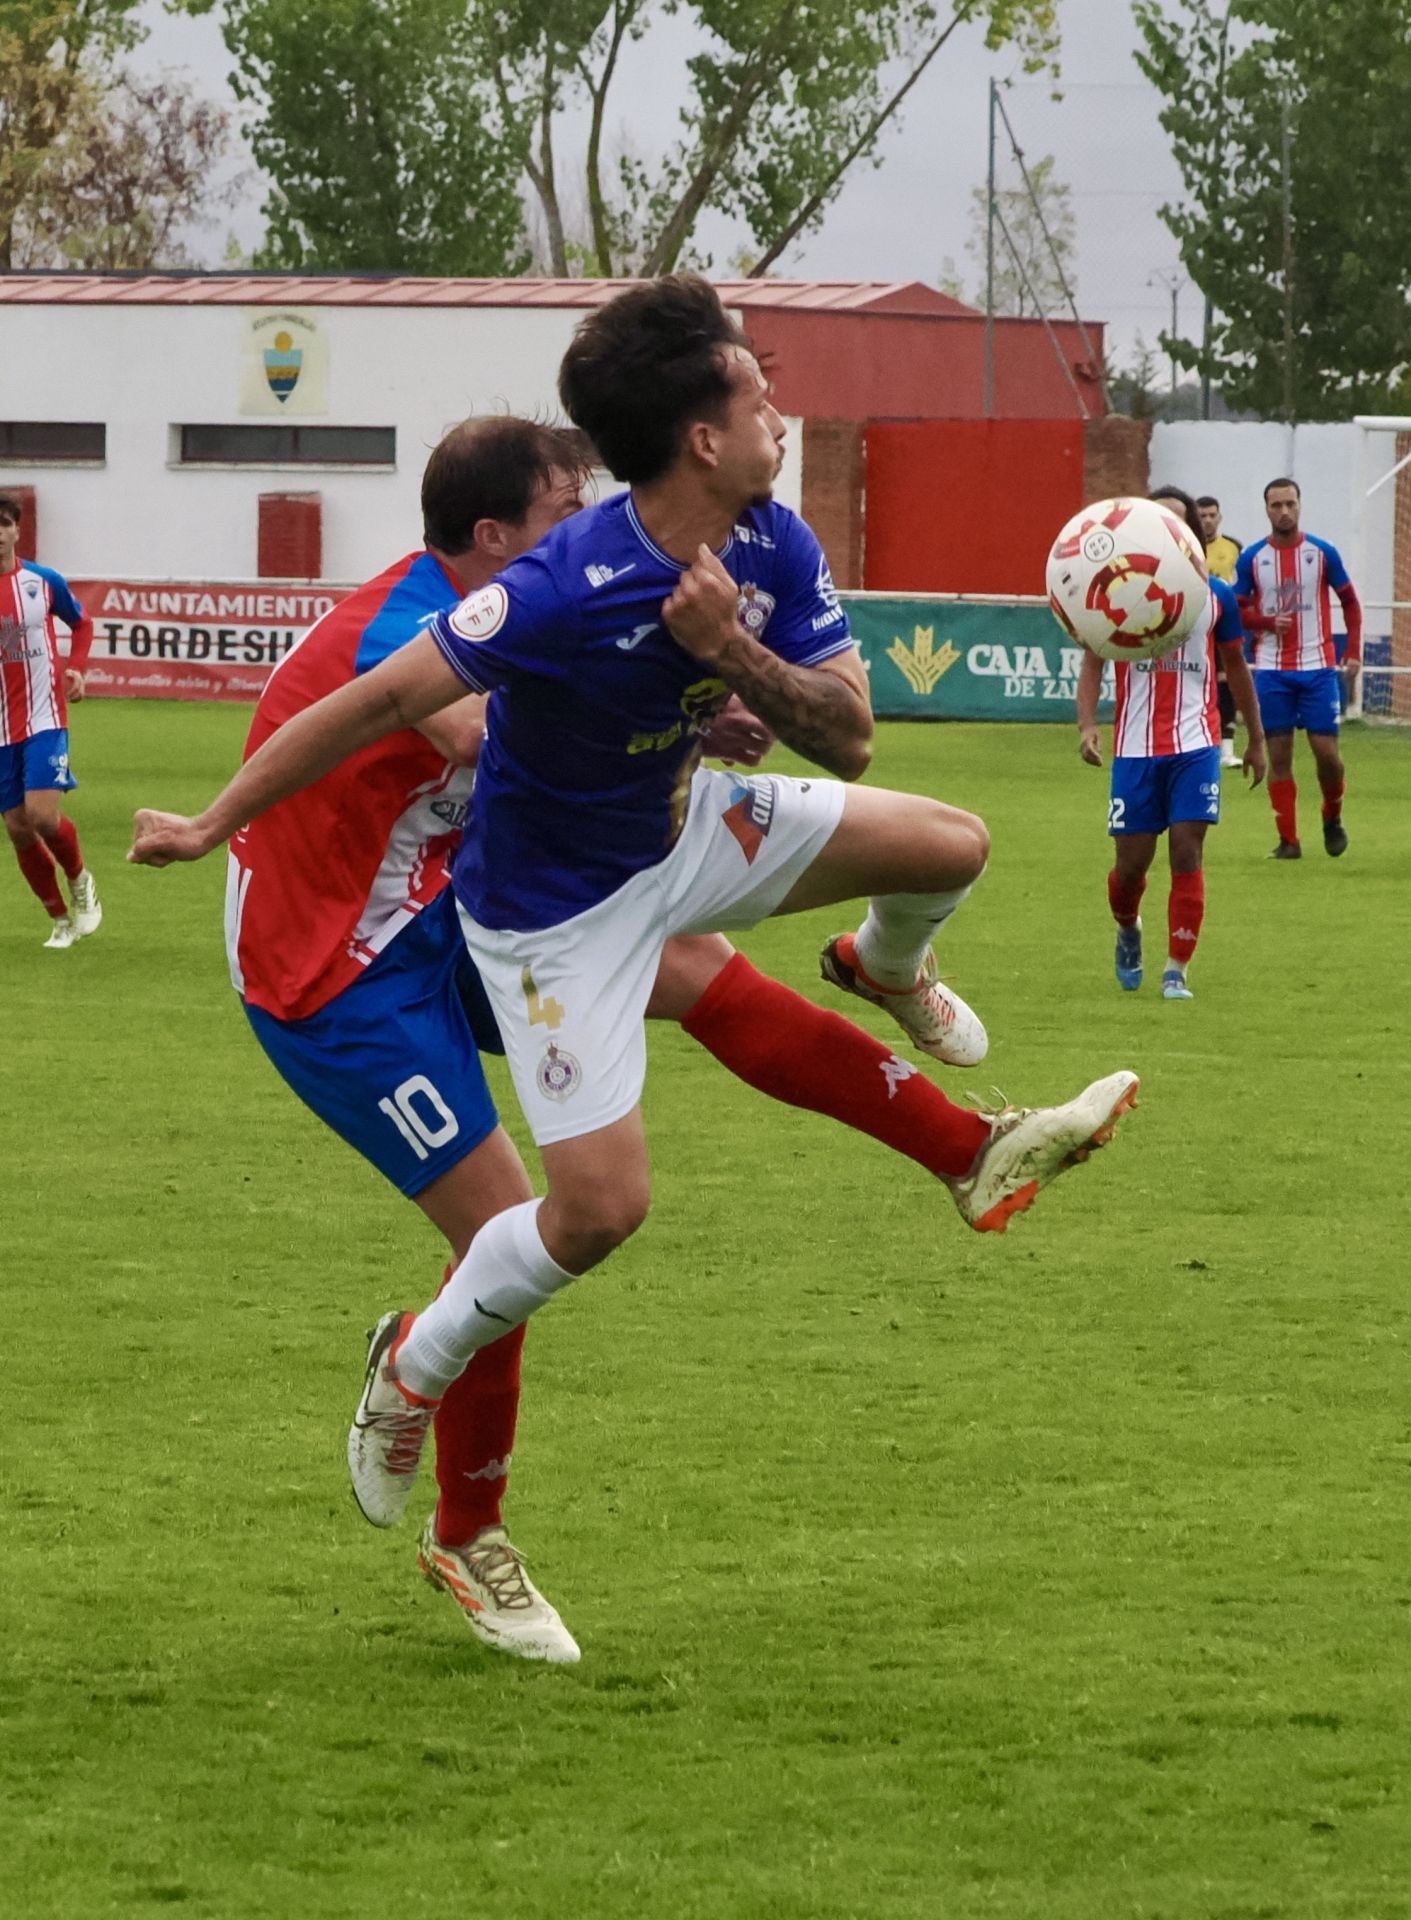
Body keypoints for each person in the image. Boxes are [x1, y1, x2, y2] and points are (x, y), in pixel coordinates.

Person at [130, 277, 1139, 1577]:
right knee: (518, 1223)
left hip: (472, 882)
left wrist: (712, 682)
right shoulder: (484, 610)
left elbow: (809, 722)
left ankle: (966, 1152)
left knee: (713, 972)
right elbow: (484, 734)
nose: (585, 518)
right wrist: (211, 823)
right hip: (334, 968)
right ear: (496, 539)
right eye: (558, 510)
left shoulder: (718, 544)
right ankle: (466, 1525)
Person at [1076, 486, 1267, 1001]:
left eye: (1180, 523)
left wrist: (1255, 739)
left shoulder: (1216, 595)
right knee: (1130, 867)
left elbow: (1235, 666)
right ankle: (1128, 927)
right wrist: (1087, 724)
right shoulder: (1116, 591)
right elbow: (1094, 657)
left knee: (1187, 852)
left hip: (1196, 743)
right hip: (1135, 748)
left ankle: (1176, 968)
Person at [1235, 478, 1362, 860]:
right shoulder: (1253, 559)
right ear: (1267, 509)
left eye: (1290, 503)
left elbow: (1350, 603)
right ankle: (1288, 840)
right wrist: (1265, 622)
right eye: (1276, 505)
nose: (1284, 511)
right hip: (1272, 670)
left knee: (1327, 755)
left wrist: (1353, 650)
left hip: (1318, 667)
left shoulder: (1322, 553)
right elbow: (1237, 610)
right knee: (1280, 756)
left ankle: (1332, 814)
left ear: (1300, 505)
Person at [0, 493, 102, 948]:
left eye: (3, 523)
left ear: (17, 531)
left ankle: (80, 880)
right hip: (1, 727)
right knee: (18, 827)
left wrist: (77, 668)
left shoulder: (42, 582)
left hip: (44, 716)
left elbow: (81, 624)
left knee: (42, 816)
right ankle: (59, 919)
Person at [1195, 495, 1244, 769]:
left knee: (1227, 684)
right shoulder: (1186, 546)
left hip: (1223, 624)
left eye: (1212, 515)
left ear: (1219, 517)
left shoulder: (1234, 548)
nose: (1208, 520)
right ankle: (1201, 743)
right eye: (1202, 515)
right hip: (1196, 625)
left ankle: (1226, 748)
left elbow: (1243, 587)